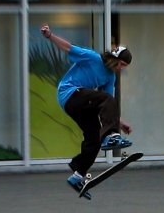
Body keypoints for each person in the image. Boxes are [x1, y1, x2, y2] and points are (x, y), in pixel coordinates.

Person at [40, 24, 133, 199]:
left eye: (124, 67)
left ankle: (78, 175)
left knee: (94, 138)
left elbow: (106, 106)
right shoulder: (92, 58)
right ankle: (111, 136)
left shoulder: (110, 77)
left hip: (81, 104)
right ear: (114, 58)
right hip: (69, 93)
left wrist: (120, 122)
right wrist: (50, 35)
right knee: (107, 101)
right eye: (121, 64)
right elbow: (67, 47)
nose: (120, 69)